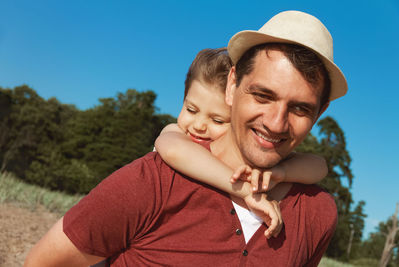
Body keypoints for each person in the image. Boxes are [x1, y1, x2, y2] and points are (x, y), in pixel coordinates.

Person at [24, 10, 346, 267]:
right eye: (263, 96)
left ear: (320, 113)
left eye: (300, 109)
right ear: (232, 84)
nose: (276, 123)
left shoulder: (318, 214)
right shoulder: (154, 180)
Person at [154, 47, 329, 240]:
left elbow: (319, 166)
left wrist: (281, 173)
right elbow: (174, 149)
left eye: (218, 121)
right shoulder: (176, 136)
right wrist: (246, 191)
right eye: (191, 109)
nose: (199, 125)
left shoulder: (315, 210)